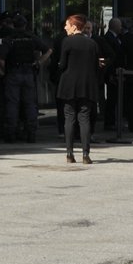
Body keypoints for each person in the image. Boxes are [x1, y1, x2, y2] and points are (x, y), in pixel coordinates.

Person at [0, 13, 48, 141]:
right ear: (25, 25)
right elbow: (48, 50)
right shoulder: (31, 37)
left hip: (13, 73)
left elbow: (0, 58)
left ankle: (11, 133)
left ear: (13, 25)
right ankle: (31, 133)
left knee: (12, 104)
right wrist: (38, 62)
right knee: (30, 104)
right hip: (28, 72)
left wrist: (4, 70)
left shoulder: (9, 39)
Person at [56, 14, 101, 164]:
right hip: (87, 86)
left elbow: (62, 64)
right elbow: (96, 67)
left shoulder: (67, 42)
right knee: (84, 118)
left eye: (67, 25)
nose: (65, 27)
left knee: (69, 118)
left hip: (69, 85)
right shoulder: (92, 44)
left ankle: (69, 153)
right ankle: (86, 154)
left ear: (74, 27)